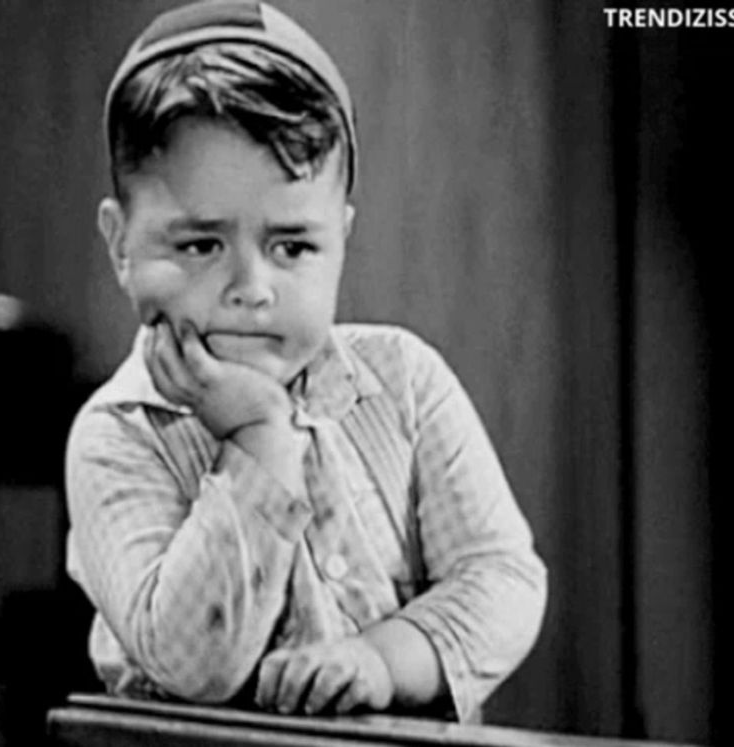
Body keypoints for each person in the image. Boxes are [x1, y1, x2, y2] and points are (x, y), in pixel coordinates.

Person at [65, 0, 547, 722]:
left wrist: (386, 656)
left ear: (342, 239)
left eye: (292, 246)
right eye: (200, 244)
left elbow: (503, 575)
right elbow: (194, 664)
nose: (252, 290)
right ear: (121, 247)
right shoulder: (118, 436)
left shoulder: (406, 383)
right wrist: (258, 437)